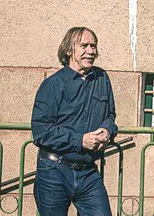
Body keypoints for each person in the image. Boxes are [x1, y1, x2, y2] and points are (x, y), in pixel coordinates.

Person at [31, 27, 118, 216]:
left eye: (93, 46)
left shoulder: (102, 79)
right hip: (54, 171)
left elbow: (110, 116)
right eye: (84, 46)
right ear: (69, 49)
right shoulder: (53, 84)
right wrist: (80, 140)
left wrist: (107, 130)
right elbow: (41, 132)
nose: (91, 51)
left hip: (88, 173)